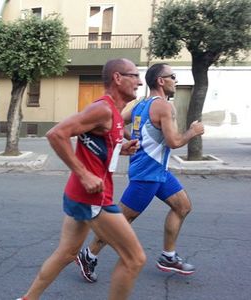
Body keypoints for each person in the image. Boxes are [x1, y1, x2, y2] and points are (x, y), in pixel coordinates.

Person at [17, 58, 146, 300]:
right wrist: (84, 173)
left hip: (81, 195)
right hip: (92, 197)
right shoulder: (103, 109)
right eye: (134, 75)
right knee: (135, 259)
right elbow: (56, 134)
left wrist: (122, 148)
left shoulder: (115, 114)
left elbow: (97, 145)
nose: (139, 81)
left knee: (67, 253)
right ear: (118, 78)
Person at [76, 63, 205, 282]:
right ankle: (88, 255)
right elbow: (173, 142)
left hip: (159, 172)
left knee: (182, 207)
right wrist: (193, 131)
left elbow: (116, 120)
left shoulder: (140, 105)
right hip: (146, 174)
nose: (176, 80)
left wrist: (132, 139)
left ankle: (168, 256)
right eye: (172, 76)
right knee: (120, 223)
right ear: (160, 81)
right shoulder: (164, 106)